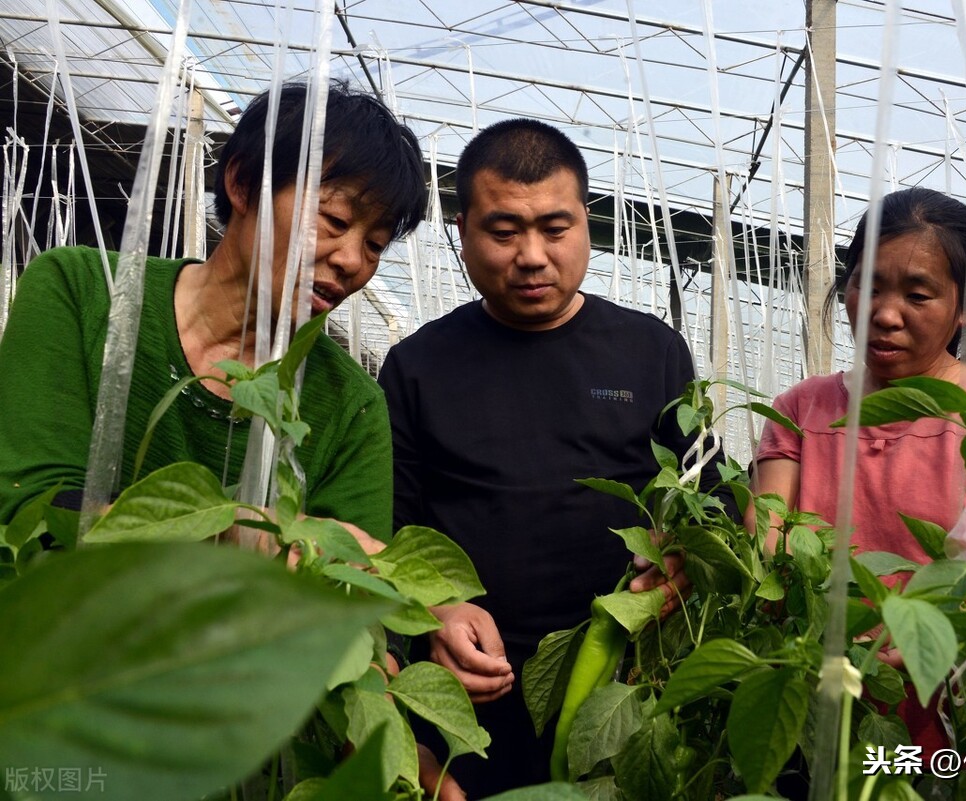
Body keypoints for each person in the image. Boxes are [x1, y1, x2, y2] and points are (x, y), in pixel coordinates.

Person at [378, 118, 718, 796]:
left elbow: (708, 496)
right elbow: (388, 530)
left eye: (554, 228)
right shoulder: (418, 367)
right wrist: (433, 608)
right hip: (469, 699)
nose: (531, 255)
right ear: (462, 230)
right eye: (503, 232)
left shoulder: (652, 352)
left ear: (585, 224)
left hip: (617, 688)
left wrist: (681, 551)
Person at [0, 81, 425, 544]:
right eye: (335, 221)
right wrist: (245, 536)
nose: (352, 261)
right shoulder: (83, 290)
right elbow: (31, 508)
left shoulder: (351, 404)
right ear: (243, 184)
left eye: (375, 244)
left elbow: (352, 592)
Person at [749, 186, 966, 754]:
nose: (883, 314)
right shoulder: (802, 409)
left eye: (918, 294)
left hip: (962, 710)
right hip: (810, 699)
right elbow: (768, 540)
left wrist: (947, 631)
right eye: (868, 285)